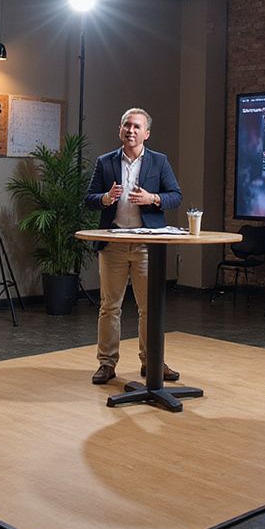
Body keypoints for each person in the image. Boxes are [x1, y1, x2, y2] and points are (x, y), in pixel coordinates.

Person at [83, 108, 182, 385]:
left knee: (149, 308)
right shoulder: (105, 162)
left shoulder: (159, 161)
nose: (131, 130)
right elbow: (89, 198)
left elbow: (175, 196)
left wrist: (153, 198)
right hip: (114, 243)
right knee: (109, 307)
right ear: (120, 130)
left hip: (146, 246)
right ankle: (106, 364)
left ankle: (152, 362)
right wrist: (105, 198)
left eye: (137, 127)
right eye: (127, 125)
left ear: (146, 133)